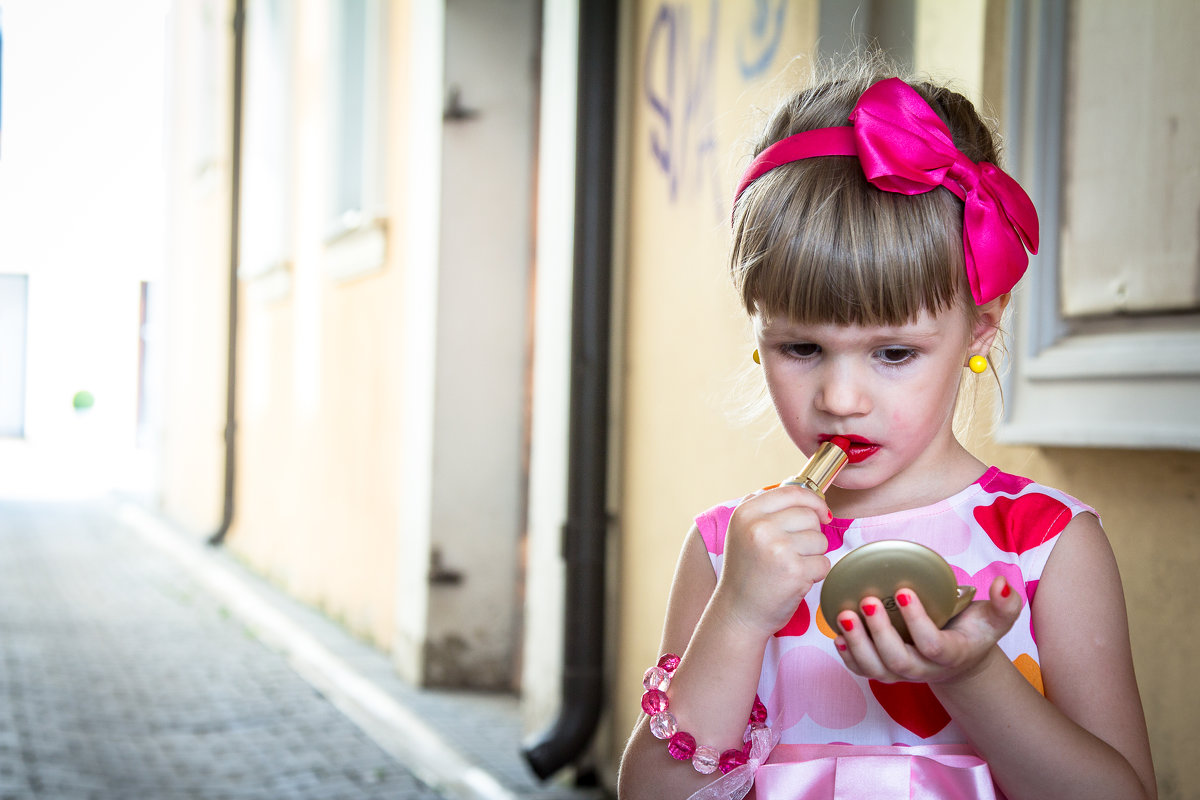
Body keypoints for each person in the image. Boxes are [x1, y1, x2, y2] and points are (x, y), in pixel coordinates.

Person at [616, 59, 1156, 800]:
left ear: (980, 332)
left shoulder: (1047, 543)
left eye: (894, 353)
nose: (840, 398)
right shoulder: (729, 549)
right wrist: (740, 614)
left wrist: (969, 674)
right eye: (800, 348)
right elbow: (651, 795)